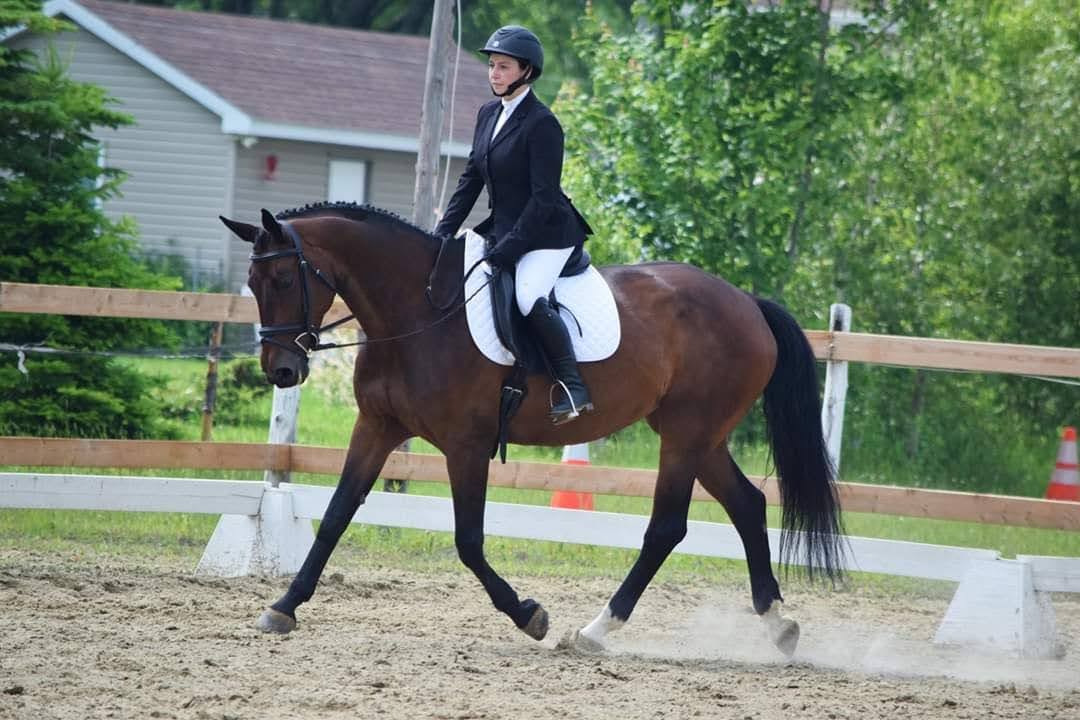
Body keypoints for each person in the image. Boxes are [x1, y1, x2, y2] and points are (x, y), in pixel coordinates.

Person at [434, 25, 595, 426]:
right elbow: (471, 178)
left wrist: (510, 247)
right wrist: (441, 234)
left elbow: (543, 199)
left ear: (526, 71)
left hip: (547, 233)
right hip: (504, 226)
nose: (494, 73)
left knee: (526, 295)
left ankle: (572, 386)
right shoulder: (489, 114)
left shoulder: (543, 124)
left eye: (503, 67)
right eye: (492, 66)